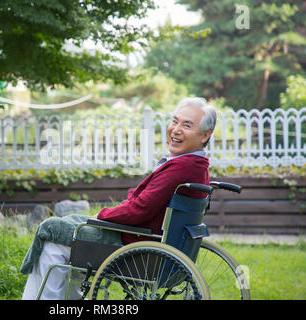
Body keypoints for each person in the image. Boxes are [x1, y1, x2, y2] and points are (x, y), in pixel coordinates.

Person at [21, 97, 217, 300]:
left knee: (53, 238)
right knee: (70, 231)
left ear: (205, 135)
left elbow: (139, 209)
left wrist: (103, 215)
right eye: (175, 121)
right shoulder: (197, 165)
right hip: (150, 243)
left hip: (136, 246)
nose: (176, 129)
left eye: (187, 125)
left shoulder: (182, 167)